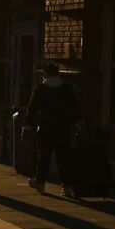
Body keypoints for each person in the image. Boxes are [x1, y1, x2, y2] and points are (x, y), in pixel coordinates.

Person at [23, 62, 81, 197]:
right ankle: (67, 186)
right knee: (63, 157)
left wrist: (27, 126)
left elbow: (32, 109)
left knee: (44, 156)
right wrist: (77, 122)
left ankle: (40, 182)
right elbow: (74, 108)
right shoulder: (67, 89)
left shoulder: (40, 89)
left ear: (45, 74)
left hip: (46, 126)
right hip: (63, 127)